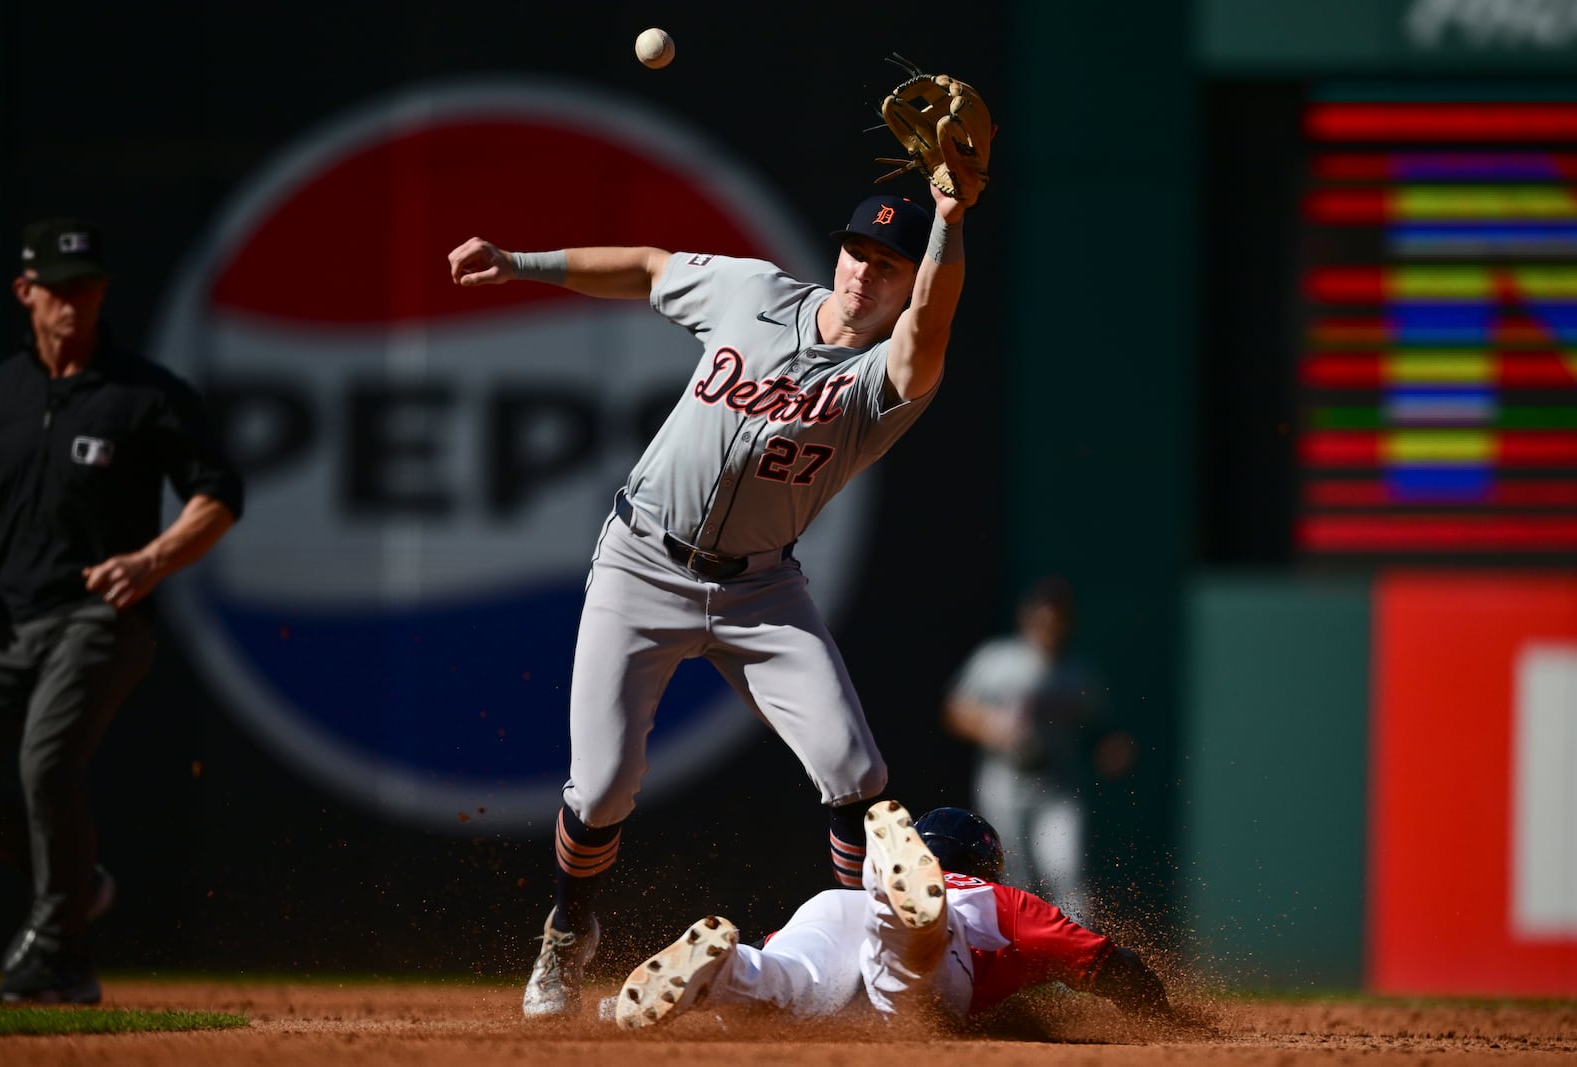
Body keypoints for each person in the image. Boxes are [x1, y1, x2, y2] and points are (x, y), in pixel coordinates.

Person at [447, 181, 974, 1017]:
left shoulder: (889, 373)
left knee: (857, 772)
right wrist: (520, 263)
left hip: (761, 587)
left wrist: (947, 223)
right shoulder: (755, 295)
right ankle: (566, 928)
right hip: (640, 562)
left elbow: (934, 320)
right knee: (603, 787)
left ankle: (866, 957)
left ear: (912, 281)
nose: (863, 273)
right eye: (856, 252)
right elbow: (650, 268)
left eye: (887, 265)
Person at [0, 218, 244, 1003]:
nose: (76, 302)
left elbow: (219, 491)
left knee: (44, 761)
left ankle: (62, 954)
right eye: (60, 289)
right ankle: (71, 882)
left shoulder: (143, 393)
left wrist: (152, 559)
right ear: (25, 292)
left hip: (101, 617)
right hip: (6, 621)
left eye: (89, 286)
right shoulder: (1, 392)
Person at [612, 800, 1174, 1030]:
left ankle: (726, 971)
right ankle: (901, 909)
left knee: (784, 978)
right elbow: (1110, 965)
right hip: (931, 937)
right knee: (902, 971)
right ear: (984, 863)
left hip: (833, 907)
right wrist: (1170, 1022)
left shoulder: (840, 900)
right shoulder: (998, 898)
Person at [941, 576, 1123, 917]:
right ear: (1027, 617)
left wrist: (1108, 747)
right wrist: (991, 727)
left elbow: (1097, 729)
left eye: (1056, 617)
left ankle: (1076, 960)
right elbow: (954, 710)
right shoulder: (997, 659)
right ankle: (1020, 959)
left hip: (1057, 784)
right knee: (1014, 876)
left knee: (1067, 872)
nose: (1048, 624)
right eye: (1043, 615)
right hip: (1004, 780)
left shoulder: (1078, 673)